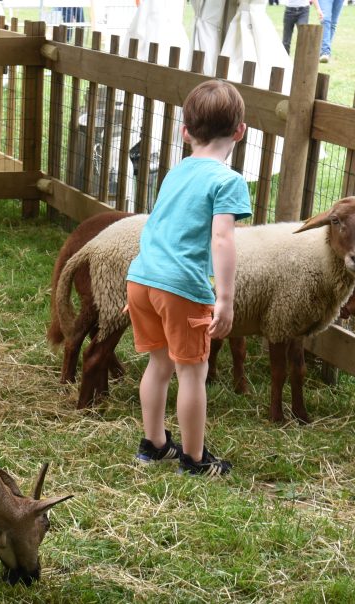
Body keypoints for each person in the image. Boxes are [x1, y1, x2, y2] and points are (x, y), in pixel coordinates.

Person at [125, 80, 252, 476]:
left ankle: (154, 444)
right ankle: (195, 460)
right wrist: (226, 298)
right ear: (239, 131)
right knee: (193, 371)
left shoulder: (176, 172)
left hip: (142, 278)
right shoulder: (227, 180)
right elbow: (222, 238)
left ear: (185, 132)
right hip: (180, 287)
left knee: (159, 364)